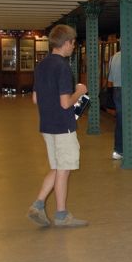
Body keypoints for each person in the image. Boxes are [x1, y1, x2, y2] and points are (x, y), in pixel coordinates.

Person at [27, 24, 88, 227]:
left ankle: (38, 204)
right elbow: (65, 103)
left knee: (57, 167)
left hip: (46, 126)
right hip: (63, 126)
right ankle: (61, 215)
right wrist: (80, 91)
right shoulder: (63, 67)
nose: (73, 47)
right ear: (67, 42)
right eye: (73, 43)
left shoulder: (41, 65)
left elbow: (35, 98)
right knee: (64, 170)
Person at [107, 47, 132, 160]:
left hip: (116, 91)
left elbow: (111, 78)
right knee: (131, 121)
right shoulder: (131, 57)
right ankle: (131, 152)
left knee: (120, 121)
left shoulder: (113, 57)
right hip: (128, 91)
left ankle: (118, 150)